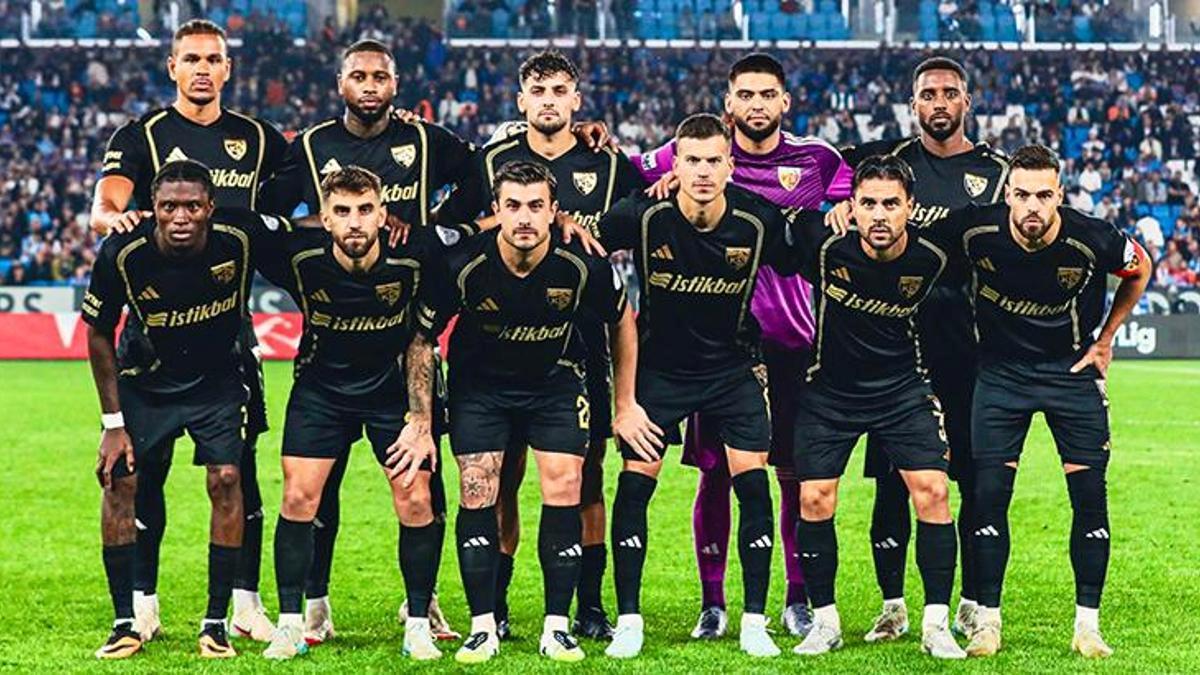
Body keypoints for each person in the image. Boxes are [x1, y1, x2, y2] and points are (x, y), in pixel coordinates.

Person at [261, 37, 475, 645]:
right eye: (359, 76)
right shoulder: (309, 163)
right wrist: (316, 226)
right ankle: (303, 613)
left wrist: (430, 229)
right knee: (307, 493)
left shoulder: (424, 172)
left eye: (381, 76)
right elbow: (257, 216)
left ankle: (421, 613)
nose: (371, 85)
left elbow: (481, 180)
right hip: (322, 381)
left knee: (421, 491)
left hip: (395, 382)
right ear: (341, 84)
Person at [633, 52, 852, 639]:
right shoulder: (697, 155)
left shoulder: (817, 160)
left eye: (767, 94)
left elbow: (865, 192)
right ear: (728, 102)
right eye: (746, 95)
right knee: (717, 475)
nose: (757, 104)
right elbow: (622, 173)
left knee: (793, 475)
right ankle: (714, 602)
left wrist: (845, 206)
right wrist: (598, 142)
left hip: (793, 343)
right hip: (719, 349)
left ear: (785, 101)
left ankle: (797, 598)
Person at [437, 49, 646, 640]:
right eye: (538, 91)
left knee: (586, 474)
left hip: (580, 338)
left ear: (576, 99)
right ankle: (496, 606)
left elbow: (651, 206)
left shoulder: (606, 161)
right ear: (521, 100)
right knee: (501, 475)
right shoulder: (492, 160)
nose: (549, 101)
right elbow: (451, 229)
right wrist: (546, 224)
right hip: (499, 339)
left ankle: (589, 606)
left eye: (559, 90)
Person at [90, 19, 287, 643]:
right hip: (154, 335)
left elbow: (312, 187)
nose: (203, 69)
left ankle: (244, 604)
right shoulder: (142, 134)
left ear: (228, 68)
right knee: (143, 475)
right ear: (172, 67)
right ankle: (142, 603)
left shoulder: (258, 138)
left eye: (213, 59)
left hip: (228, 332)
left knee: (238, 472)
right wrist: (115, 219)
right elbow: (106, 203)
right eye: (191, 59)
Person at [933, 144, 1150, 658]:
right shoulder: (974, 229)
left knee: (1089, 497)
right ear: (1008, 194)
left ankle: (1087, 627)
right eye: (1023, 195)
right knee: (987, 496)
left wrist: (1106, 339)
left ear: (1060, 195)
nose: (1033, 206)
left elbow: (1139, 268)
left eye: (1044, 196)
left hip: (1070, 374)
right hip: (1000, 375)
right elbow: (911, 244)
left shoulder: (1092, 237)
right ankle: (987, 622)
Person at [597, 113, 794, 659]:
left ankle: (754, 622)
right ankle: (629, 621)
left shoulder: (759, 221)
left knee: (753, 487)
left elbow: (807, 255)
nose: (703, 172)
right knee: (635, 487)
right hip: (660, 372)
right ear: (675, 166)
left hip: (734, 369)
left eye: (713, 161)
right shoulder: (642, 216)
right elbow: (582, 241)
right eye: (692, 161)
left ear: (730, 166)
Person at [835, 56, 1009, 641]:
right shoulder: (885, 163)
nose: (939, 103)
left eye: (949, 93)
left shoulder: (997, 172)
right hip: (895, 352)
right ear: (913, 104)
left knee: (972, 482)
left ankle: (972, 602)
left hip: (969, 353)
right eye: (928, 94)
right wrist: (836, 202)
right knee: (893, 483)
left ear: (966, 102)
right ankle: (893, 605)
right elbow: (812, 171)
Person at [257, 166, 448, 660]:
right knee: (298, 497)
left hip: (390, 393)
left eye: (365, 210)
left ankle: (418, 623)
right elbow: (239, 226)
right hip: (321, 392)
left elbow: (421, 341)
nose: (355, 222)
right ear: (324, 219)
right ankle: (291, 624)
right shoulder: (300, 258)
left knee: (416, 499)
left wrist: (421, 420)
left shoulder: (415, 258)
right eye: (342, 212)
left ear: (383, 215)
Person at [785, 154, 964, 660]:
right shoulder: (823, 244)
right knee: (814, 499)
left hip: (902, 390)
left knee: (933, 493)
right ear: (852, 206)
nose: (879, 215)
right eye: (868, 204)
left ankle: (935, 625)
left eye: (890, 204)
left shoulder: (934, 255)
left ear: (910, 207)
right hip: (830, 392)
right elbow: (766, 211)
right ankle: (825, 623)